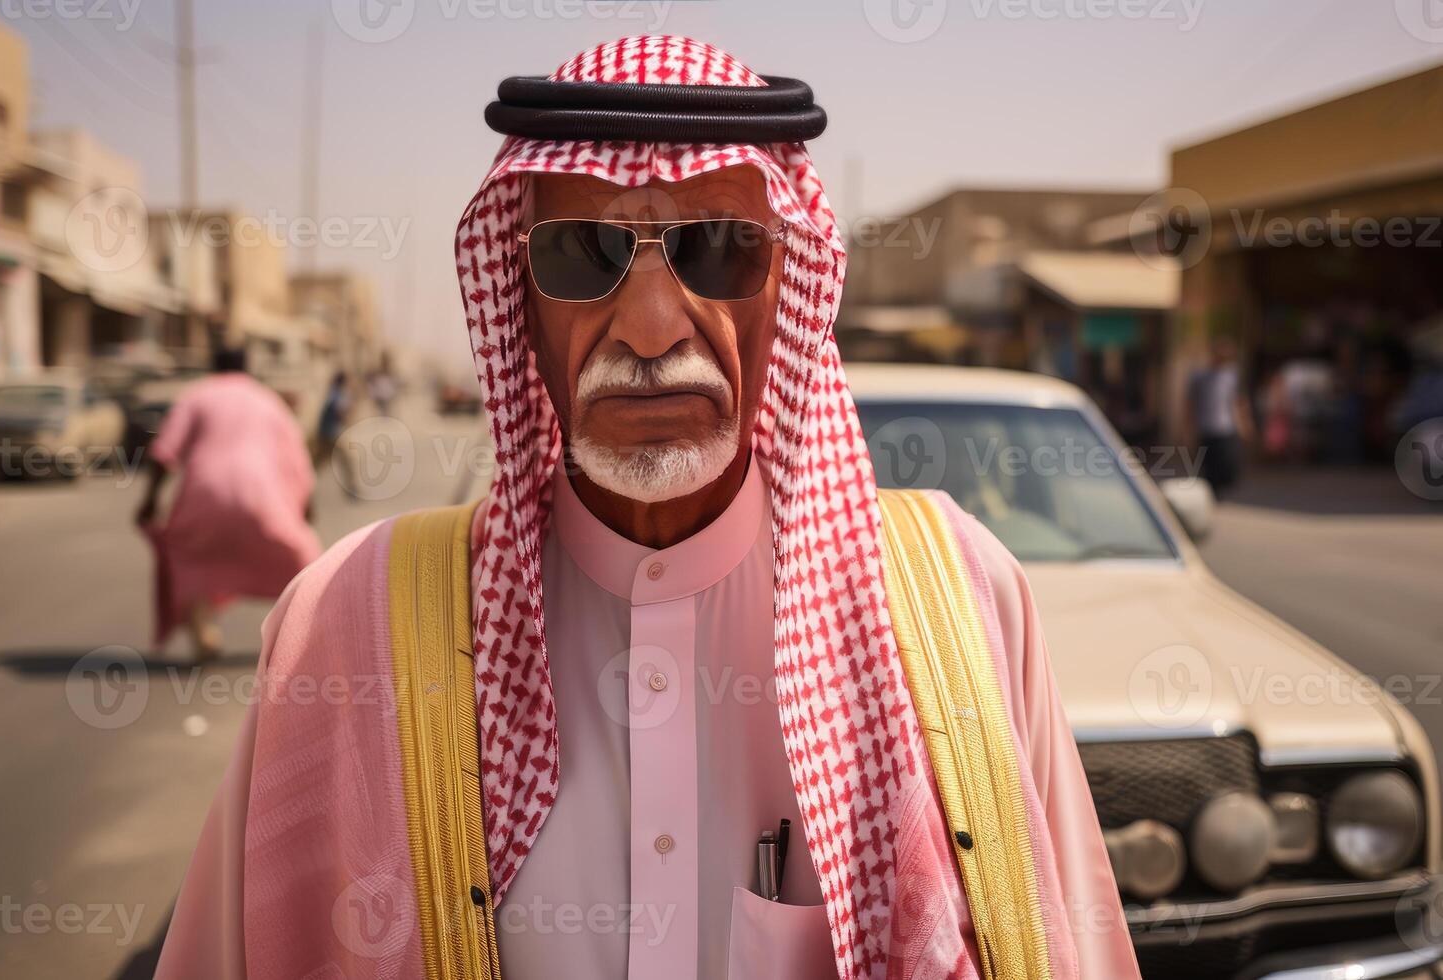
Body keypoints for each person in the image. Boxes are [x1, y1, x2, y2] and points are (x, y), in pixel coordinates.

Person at [155, 37, 1138, 980]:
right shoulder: (343, 622)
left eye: (718, 247)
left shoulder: (962, 602)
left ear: (789, 280)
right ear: (519, 299)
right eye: (584, 252)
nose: (653, 324)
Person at [135, 346, 320, 662]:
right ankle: (306, 633)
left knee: (189, 559)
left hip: (203, 493)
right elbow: (297, 458)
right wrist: (305, 506)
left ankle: (203, 631)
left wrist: (150, 500)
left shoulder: (196, 395)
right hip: (261, 496)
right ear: (247, 367)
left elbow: (164, 452)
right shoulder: (267, 400)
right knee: (304, 562)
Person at [1186, 336, 1253, 496]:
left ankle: (1220, 491)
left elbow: (1239, 402)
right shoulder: (1200, 377)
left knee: (1226, 465)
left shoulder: (1232, 377)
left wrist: (1245, 425)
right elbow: (1189, 404)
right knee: (1208, 468)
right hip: (1206, 428)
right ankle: (1212, 494)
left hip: (1226, 428)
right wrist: (1187, 429)